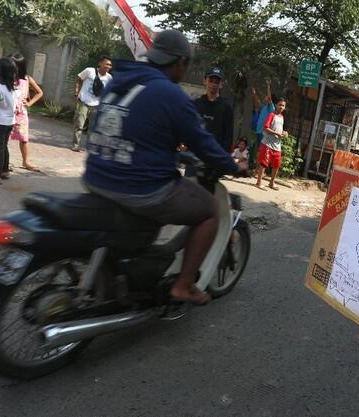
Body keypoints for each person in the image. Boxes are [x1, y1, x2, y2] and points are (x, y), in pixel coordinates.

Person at [82, 30, 244, 305]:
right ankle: (183, 285)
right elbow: (202, 140)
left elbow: (131, 131)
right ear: (181, 62)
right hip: (140, 186)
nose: (214, 84)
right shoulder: (172, 95)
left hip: (97, 175)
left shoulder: (118, 82)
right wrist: (233, 166)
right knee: (210, 211)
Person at [8, 53, 43, 171]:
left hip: (21, 114)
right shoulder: (6, 77)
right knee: (3, 138)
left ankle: (26, 161)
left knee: (23, 139)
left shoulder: (27, 79)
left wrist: (30, 102)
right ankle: (3, 161)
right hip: (7, 113)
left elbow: (39, 92)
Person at [72, 55, 113, 151]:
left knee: (93, 127)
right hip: (84, 101)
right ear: (100, 63)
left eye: (110, 65)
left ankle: (89, 147)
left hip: (97, 104)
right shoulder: (89, 71)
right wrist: (76, 93)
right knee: (79, 124)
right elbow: (78, 80)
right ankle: (75, 145)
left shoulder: (109, 78)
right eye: (106, 64)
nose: (108, 66)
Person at [194, 66, 234, 152]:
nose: (213, 84)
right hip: (196, 154)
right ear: (205, 81)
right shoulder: (196, 104)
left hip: (215, 156)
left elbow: (228, 137)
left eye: (217, 82)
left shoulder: (227, 108)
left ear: (221, 84)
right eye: (211, 81)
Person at [255, 97, 287, 190]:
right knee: (263, 164)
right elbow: (265, 127)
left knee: (276, 165)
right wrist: (277, 133)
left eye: (283, 105)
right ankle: (259, 182)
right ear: (276, 105)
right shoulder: (271, 115)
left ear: (285, 107)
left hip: (277, 145)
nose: (281, 107)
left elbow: (279, 129)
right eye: (280, 105)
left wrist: (284, 133)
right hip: (267, 143)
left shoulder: (282, 117)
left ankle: (271, 183)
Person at [250, 79, 274, 165]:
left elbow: (269, 97)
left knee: (261, 151)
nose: (265, 98)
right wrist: (254, 94)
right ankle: (256, 168)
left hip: (264, 133)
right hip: (258, 131)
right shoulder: (264, 107)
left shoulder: (271, 108)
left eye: (267, 98)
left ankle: (258, 169)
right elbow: (257, 103)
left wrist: (268, 86)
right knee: (257, 150)